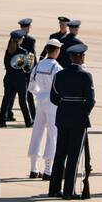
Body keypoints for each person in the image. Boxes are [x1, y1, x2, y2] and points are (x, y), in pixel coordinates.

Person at [48, 43, 95, 200]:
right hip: (78, 119)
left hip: (62, 116)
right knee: (74, 155)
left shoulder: (60, 74)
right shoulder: (86, 76)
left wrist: (65, 107)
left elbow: (54, 98)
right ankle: (69, 190)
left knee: (60, 154)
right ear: (80, 57)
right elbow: (90, 101)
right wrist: (83, 113)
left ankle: (54, 189)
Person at [26, 39, 63, 178]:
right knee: (52, 134)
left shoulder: (38, 65)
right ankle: (48, 169)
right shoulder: (57, 67)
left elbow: (31, 87)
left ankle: (33, 168)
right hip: (52, 102)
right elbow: (60, 88)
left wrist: (40, 93)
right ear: (57, 51)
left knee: (37, 132)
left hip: (40, 100)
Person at [0, 30, 33, 127]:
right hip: (20, 80)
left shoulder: (8, 51)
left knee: (6, 100)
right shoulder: (22, 51)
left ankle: (2, 121)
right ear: (19, 40)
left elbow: (6, 64)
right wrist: (30, 64)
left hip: (9, 78)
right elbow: (26, 69)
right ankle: (28, 121)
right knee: (22, 101)